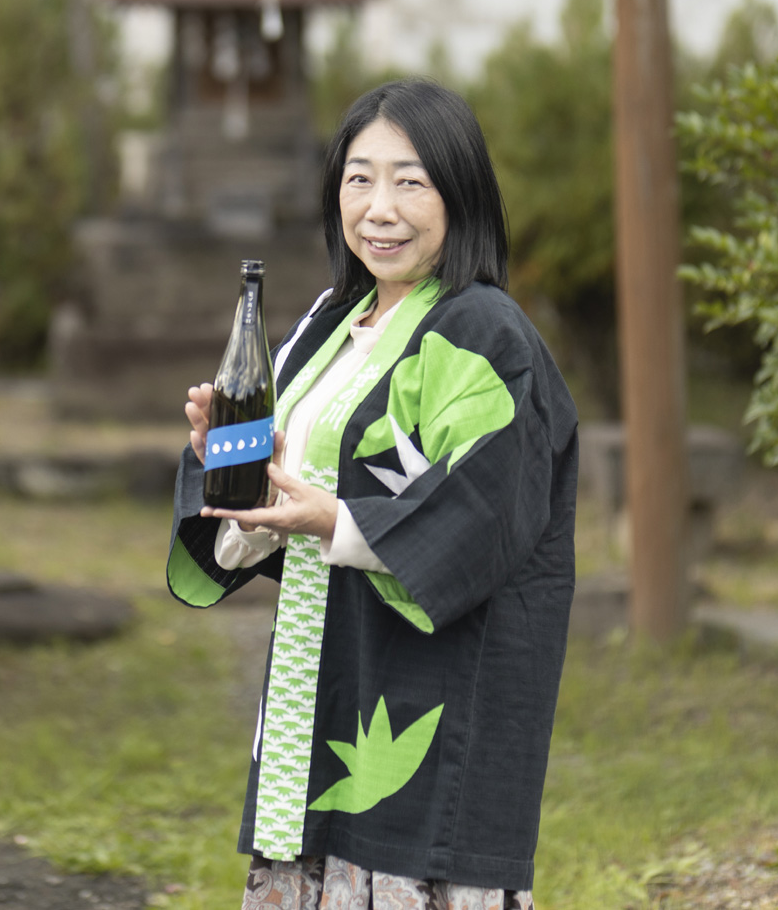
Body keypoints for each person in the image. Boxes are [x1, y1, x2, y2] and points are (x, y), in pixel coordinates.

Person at [166, 78, 578, 910]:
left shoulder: (484, 332)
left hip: (434, 690)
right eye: (359, 178)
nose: (379, 207)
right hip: (318, 684)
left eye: (410, 180)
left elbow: (487, 513)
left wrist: (335, 518)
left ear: (461, 194)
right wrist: (229, 466)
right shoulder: (327, 322)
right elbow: (277, 498)